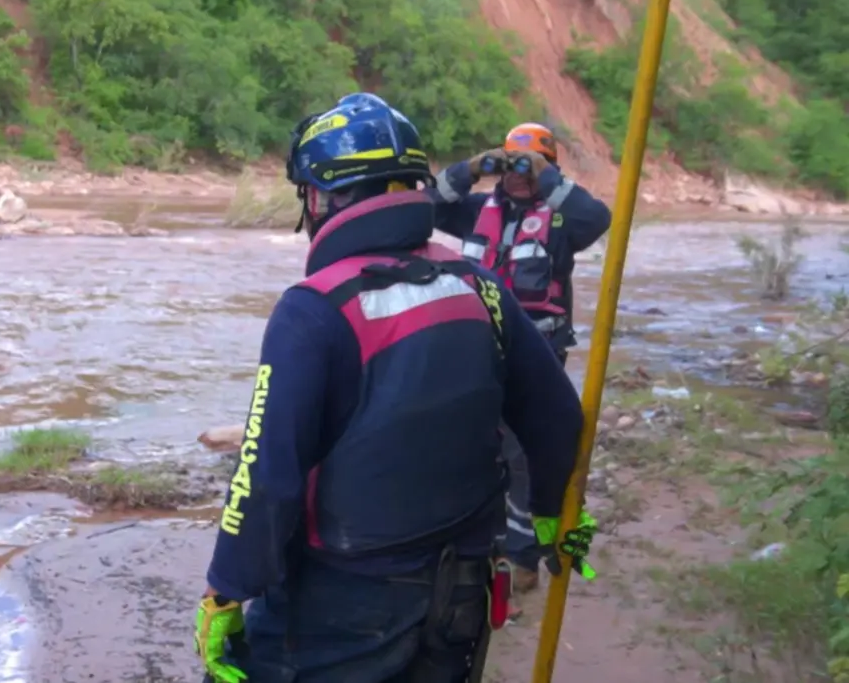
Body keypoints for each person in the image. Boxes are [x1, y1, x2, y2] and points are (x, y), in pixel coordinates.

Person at [193, 94, 599, 683]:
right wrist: (549, 514)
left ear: (320, 197)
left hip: (341, 604)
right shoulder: (477, 285)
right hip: (462, 591)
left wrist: (226, 591)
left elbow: (265, 477)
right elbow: (558, 418)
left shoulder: (311, 310)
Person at [431, 124, 611, 595]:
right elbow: (428, 205)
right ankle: (484, 543)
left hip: (538, 352)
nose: (517, 175)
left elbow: (598, 217)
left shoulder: (562, 222)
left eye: (529, 166)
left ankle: (523, 556)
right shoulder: (476, 210)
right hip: (478, 345)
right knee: (475, 444)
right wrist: (470, 169)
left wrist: (545, 177)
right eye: (512, 163)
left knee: (524, 453)